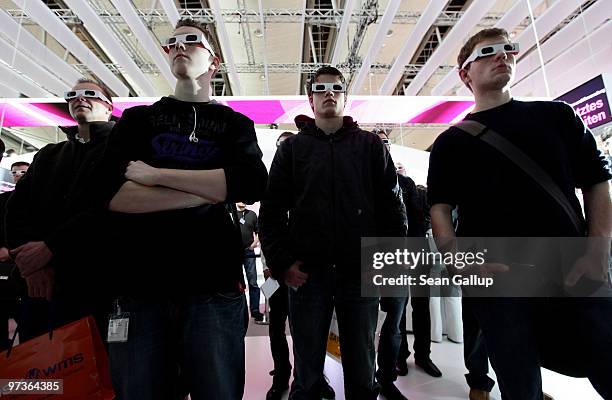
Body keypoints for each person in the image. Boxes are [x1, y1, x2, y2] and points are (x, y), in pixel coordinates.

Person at [427, 28, 612, 400]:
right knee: (518, 380)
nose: (502, 56)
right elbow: (440, 207)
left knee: (606, 361)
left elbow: (596, 182)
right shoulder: (451, 143)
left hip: (572, 267)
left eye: (508, 49)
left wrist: (597, 250)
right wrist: (456, 260)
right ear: (465, 74)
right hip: (497, 277)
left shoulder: (556, 116)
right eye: (487, 52)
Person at [97, 18, 268, 400]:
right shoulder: (138, 120)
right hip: (140, 286)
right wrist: (211, 191)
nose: (179, 46)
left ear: (214, 61)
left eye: (192, 40)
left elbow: (252, 184)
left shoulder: (234, 124)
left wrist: (156, 175)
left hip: (214, 284)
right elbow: (113, 196)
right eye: (172, 42)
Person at [260, 66, 407, 400]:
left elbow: (392, 209)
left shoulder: (370, 145)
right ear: (311, 100)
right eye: (321, 89)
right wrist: (283, 263)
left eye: (336, 88)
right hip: (308, 275)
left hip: (359, 272)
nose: (329, 93)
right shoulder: (292, 150)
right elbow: (271, 213)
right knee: (308, 370)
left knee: (361, 366)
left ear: (345, 96)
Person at [5, 78, 116, 342]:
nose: (80, 98)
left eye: (90, 93)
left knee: (99, 373)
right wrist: (31, 265)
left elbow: (110, 209)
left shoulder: (122, 150)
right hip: (42, 286)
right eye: (73, 95)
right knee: (44, 371)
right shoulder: (49, 155)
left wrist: (51, 247)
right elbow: (16, 209)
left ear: (109, 107)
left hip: (101, 285)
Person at [263, 131, 335, 400]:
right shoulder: (275, 183)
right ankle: (281, 375)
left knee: (308, 331)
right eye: (281, 147)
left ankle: (316, 377)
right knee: (276, 328)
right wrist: (273, 266)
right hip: (276, 272)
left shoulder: (309, 185)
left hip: (303, 271)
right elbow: (267, 225)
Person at [236, 202, 264, 321]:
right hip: (235, 254)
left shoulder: (252, 215)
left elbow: (259, 232)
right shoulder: (232, 214)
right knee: (238, 284)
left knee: (253, 282)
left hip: (249, 252)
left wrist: (254, 244)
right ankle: (240, 312)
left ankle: (255, 310)